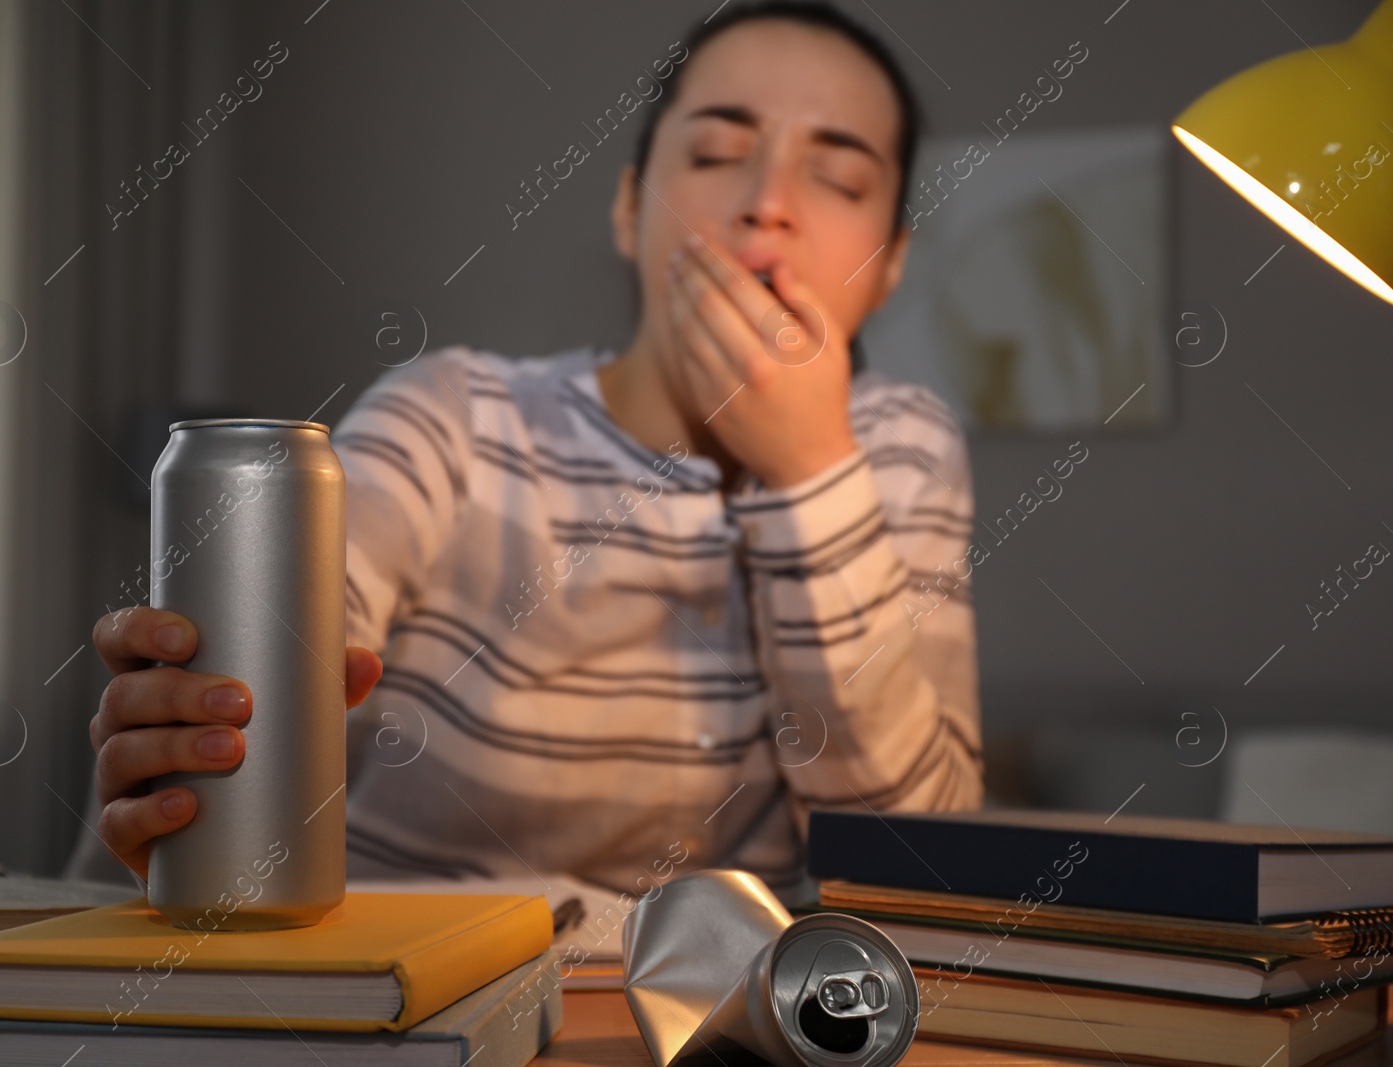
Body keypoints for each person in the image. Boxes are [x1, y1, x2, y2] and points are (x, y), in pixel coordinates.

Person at [85, 0, 982, 902]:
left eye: (836, 177)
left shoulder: (900, 447)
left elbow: (916, 870)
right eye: (715, 153)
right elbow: (281, 662)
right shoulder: (456, 417)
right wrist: (201, 743)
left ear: (892, 262)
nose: (769, 205)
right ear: (632, 210)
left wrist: (809, 472)